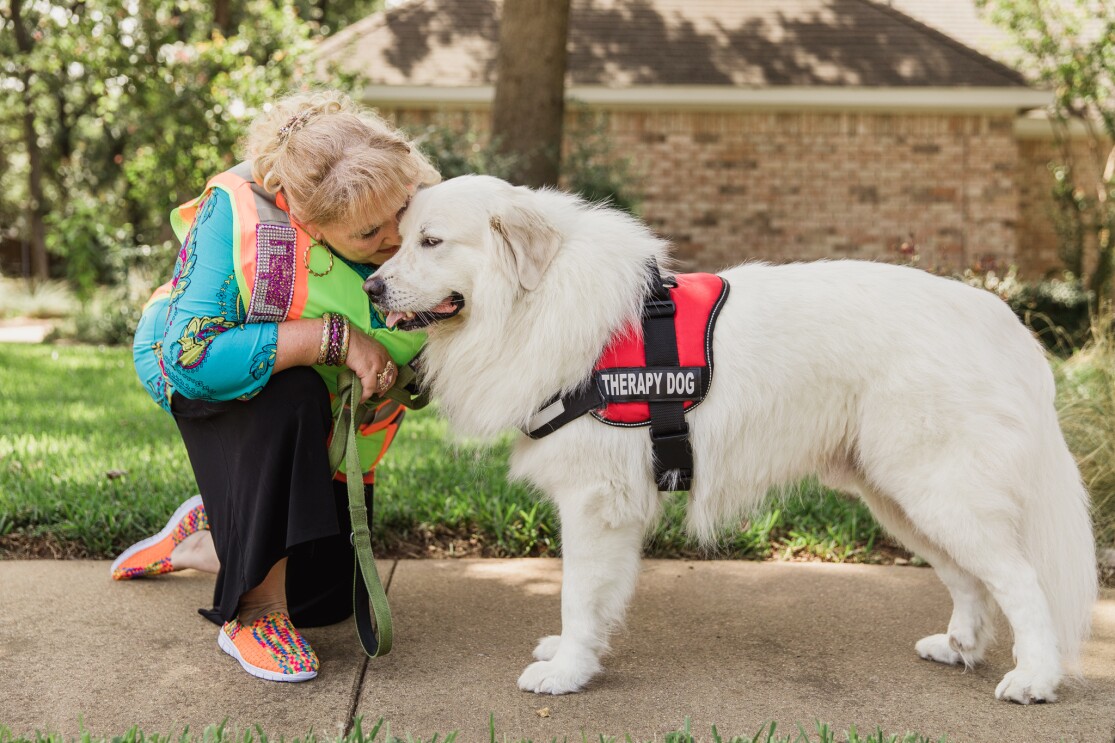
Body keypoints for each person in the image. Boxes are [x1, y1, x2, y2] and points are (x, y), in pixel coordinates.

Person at [113, 90, 440, 683]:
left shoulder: (403, 192)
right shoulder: (235, 210)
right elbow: (193, 356)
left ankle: (214, 531)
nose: (396, 237)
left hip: (325, 400)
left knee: (325, 601)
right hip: (213, 372)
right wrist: (329, 341)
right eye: (370, 233)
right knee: (292, 396)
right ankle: (255, 612)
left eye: (404, 210)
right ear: (304, 220)